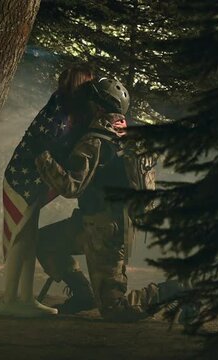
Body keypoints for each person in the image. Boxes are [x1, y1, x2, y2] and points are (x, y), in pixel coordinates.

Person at [34, 77, 175, 321]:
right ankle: (82, 295)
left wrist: (42, 157)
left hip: (105, 233)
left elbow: (71, 187)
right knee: (44, 242)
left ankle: (173, 291)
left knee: (115, 309)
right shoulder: (127, 135)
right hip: (99, 225)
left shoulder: (95, 139)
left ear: (98, 107)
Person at [0, 65, 94, 318]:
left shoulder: (64, 107)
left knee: (28, 242)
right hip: (25, 180)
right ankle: (9, 300)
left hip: (34, 182)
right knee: (21, 240)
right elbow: (48, 145)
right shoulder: (60, 112)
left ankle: (25, 299)